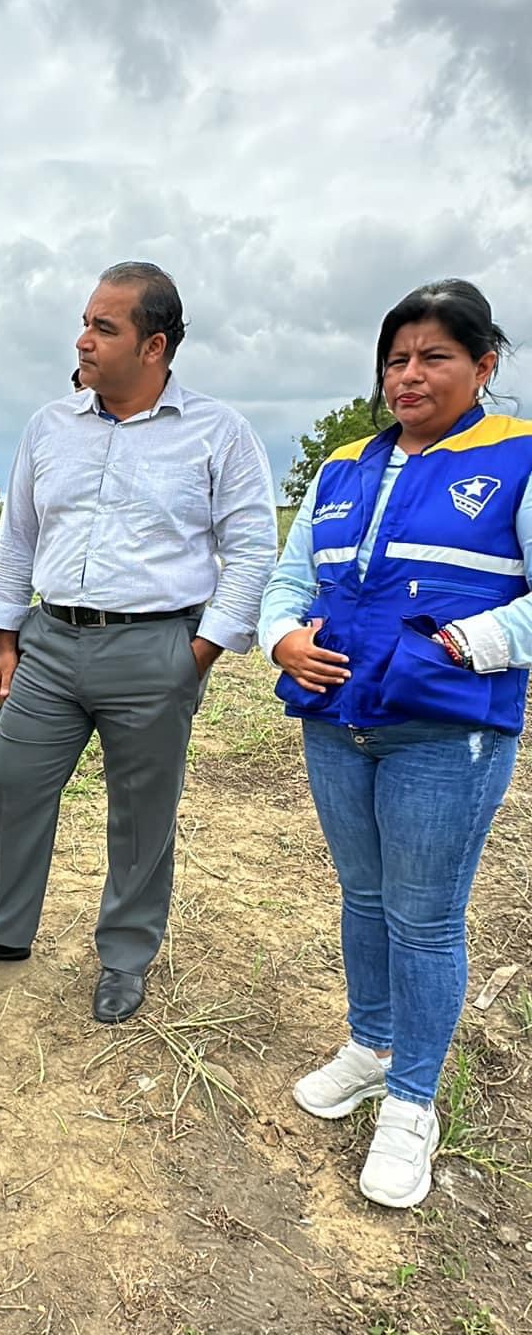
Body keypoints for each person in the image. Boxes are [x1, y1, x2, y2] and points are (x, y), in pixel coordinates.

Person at [0, 261, 277, 1022]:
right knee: (10, 781)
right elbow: (18, 537)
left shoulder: (218, 432)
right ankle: (1, 928)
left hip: (156, 648)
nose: (83, 339)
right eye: (84, 322)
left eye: (103, 328)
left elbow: (250, 550)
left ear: (154, 346)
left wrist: (199, 652)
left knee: (142, 811)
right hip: (49, 644)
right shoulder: (51, 426)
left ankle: (125, 954)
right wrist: (5, 640)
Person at [259, 279, 532, 1211]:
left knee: (424, 917)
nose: (408, 375)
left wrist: (463, 644)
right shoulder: (344, 467)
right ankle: (371, 1047)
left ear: (483, 366)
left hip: (444, 733)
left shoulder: (517, 456)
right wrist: (282, 638)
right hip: (338, 726)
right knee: (364, 896)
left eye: (433, 357)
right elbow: (290, 578)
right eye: (396, 359)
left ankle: (413, 1098)